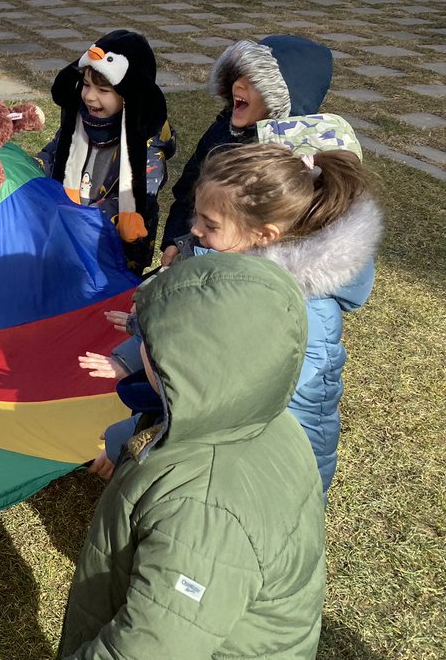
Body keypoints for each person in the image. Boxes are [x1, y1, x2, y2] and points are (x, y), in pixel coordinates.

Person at [41, 254, 326, 660]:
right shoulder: (262, 418)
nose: (140, 348)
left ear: (185, 365)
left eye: (150, 341)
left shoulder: (205, 510)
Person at [84, 136, 380, 495]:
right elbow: (191, 334)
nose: (194, 229)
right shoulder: (234, 268)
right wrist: (134, 348)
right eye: (197, 215)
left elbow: (208, 400)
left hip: (273, 471)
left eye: (210, 223)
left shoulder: (295, 310)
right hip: (233, 452)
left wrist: (126, 433)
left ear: (263, 234)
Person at [160, 34, 332, 265]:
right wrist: (175, 239)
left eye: (255, 81)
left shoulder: (292, 160)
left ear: (282, 97)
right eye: (237, 75)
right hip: (197, 253)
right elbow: (188, 192)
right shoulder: (223, 130)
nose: (238, 85)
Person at [38, 29, 174, 274]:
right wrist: (33, 169)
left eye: (103, 91)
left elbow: (144, 188)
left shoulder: (146, 141)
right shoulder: (79, 122)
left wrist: (85, 217)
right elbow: (54, 155)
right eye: (87, 85)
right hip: (68, 235)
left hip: (117, 247)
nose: (90, 97)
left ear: (128, 96)